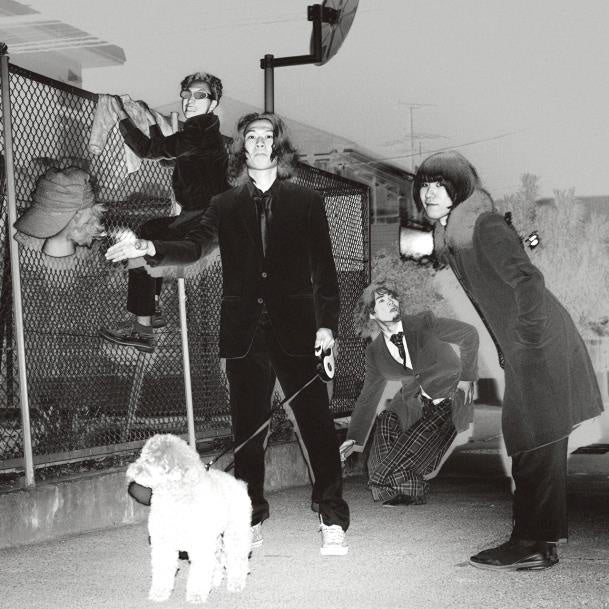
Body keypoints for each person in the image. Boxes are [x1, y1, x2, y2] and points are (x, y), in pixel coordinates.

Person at [105, 112, 350, 556]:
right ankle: (250, 518)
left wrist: (327, 325)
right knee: (248, 434)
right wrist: (150, 247)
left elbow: (324, 268)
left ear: (279, 146)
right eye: (251, 136)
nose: (259, 142)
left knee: (316, 426)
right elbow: (195, 245)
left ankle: (332, 518)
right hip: (243, 334)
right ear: (242, 148)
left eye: (267, 136)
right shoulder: (225, 203)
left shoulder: (306, 201)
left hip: (299, 330)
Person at [413, 150, 604, 571]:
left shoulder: (483, 225)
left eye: (440, 185)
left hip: (541, 343)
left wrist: (528, 341)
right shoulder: (456, 235)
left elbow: (527, 280)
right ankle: (535, 541)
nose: (429, 193)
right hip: (527, 347)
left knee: (535, 441)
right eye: (424, 185)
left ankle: (534, 543)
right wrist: (509, 347)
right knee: (530, 440)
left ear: (460, 188)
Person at [100, 71, 230, 353]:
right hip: (200, 214)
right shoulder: (204, 133)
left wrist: (121, 116)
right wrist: (152, 124)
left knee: (145, 245)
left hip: (204, 218)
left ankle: (143, 329)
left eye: (200, 96)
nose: (190, 100)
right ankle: (152, 308)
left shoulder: (199, 132)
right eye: (186, 94)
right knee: (150, 230)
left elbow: (149, 150)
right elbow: (167, 157)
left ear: (213, 103)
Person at [339, 280, 479, 506]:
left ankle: (380, 482)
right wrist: (352, 439)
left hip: (447, 401)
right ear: (372, 314)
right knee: (386, 420)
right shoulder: (375, 352)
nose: (391, 302)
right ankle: (409, 488)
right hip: (415, 406)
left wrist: (467, 377)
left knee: (406, 455)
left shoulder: (423, 323)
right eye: (382, 300)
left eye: (392, 297)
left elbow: (469, 334)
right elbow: (368, 398)